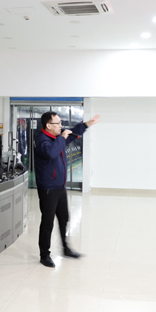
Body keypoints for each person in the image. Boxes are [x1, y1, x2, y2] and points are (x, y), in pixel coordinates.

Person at [34, 111, 99, 268]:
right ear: (48, 125)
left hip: (60, 187)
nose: (61, 126)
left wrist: (86, 124)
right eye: (58, 123)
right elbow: (51, 153)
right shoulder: (42, 140)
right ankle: (44, 255)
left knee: (64, 218)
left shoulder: (57, 137)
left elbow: (72, 132)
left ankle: (65, 248)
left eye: (61, 123)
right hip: (48, 188)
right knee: (47, 222)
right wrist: (62, 138)